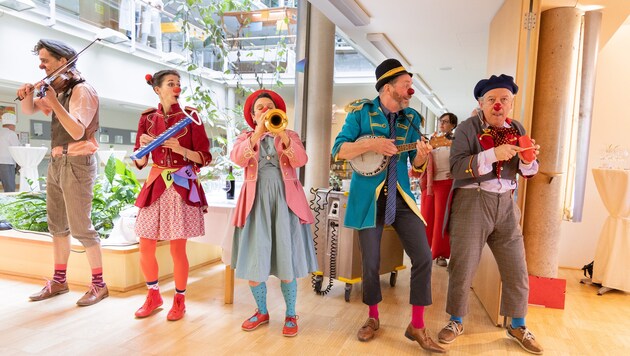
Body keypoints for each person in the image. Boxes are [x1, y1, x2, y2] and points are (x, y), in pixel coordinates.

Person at [332, 58, 445, 353]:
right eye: (406, 85)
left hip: (401, 195)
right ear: (388, 87)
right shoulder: (360, 112)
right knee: (370, 264)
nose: (411, 90)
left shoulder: (411, 120)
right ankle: (372, 318)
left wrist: (421, 155)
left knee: (423, 256)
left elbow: (415, 165)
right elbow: (339, 149)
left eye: (411, 85)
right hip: (367, 198)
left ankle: (417, 325)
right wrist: (371, 145)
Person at [439, 74, 543, 354]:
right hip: (472, 200)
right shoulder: (466, 129)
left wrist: (528, 159)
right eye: (492, 100)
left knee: (517, 267)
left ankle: (517, 323)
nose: (498, 105)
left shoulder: (517, 127)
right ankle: (456, 320)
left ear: (511, 104)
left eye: (504, 100)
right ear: (481, 103)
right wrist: (494, 154)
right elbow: (458, 167)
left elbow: (529, 171)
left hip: (507, 203)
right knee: (463, 265)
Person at [17, 39, 107, 306]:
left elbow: (78, 131)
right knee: (57, 225)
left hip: (77, 162)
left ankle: (99, 285)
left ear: (62, 60)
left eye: (45, 59)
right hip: (57, 162)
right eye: (40, 59)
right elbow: (30, 109)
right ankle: (59, 281)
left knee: (82, 228)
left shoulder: (82, 90)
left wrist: (54, 102)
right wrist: (28, 96)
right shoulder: (57, 88)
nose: (40, 64)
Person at [230, 89, 318, 337]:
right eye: (260, 107)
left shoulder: (289, 135)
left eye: (270, 106)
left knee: (286, 258)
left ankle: (291, 314)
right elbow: (237, 158)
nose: (266, 110)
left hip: (285, 203)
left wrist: (283, 136)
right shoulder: (245, 137)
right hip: (255, 203)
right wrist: (258, 132)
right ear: (252, 114)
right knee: (254, 260)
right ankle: (261, 311)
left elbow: (300, 160)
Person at [131, 69, 212, 321]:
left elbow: (205, 157)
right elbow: (140, 161)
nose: (176, 86)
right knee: (145, 245)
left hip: (181, 184)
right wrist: (144, 147)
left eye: (178, 83)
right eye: (170, 83)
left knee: (178, 248)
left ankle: (179, 300)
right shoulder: (147, 118)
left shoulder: (191, 117)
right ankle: (153, 294)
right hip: (155, 183)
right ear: (157, 89)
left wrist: (181, 149)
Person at [417, 112, 458, 267]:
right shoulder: (432, 139)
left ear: (453, 125)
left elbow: (461, 159)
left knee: (441, 220)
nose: (442, 124)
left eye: (446, 122)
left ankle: (441, 254)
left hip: (446, 183)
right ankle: (424, 252)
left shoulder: (457, 141)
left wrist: (455, 172)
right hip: (430, 184)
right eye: (441, 121)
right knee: (426, 218)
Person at [0, 112, 20, 192]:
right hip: (7, 163)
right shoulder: (11, 133)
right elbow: (17, 149)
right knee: (9, 189)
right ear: (12, 125)